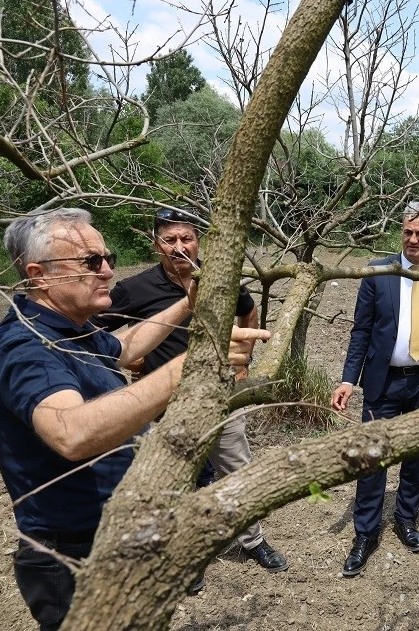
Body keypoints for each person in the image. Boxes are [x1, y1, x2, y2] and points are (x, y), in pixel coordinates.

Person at [0, 208, 269, 630]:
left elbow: (122, 347)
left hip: (114, 535)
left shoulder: (71, 329)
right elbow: (70, 433)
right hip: (75, 556)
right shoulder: (27, 347)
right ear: (40, 275)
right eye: (91, 262)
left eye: (109, 258)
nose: (107, 271)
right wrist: (187, 367)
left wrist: (186, 304)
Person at [94, 208, 288, 574]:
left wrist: (244, 360)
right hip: (164, 405)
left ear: (199, 243)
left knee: (237, 472)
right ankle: (181, 552)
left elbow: (248, 312)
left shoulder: (221, 279)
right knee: (171, 480)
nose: (179, 246)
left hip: (220, 396)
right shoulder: (134, 289)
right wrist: (131, 356)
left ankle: (253, 541)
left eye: (187, 238)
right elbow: (93, 334)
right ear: (157, 246)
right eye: (170, 239)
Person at [330, 201, 419, 577]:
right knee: (371, 459)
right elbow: (361, 330)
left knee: (415, 456)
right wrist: (347, 379)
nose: (413, 239)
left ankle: (406, 519)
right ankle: (366, 533)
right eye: (407, 231)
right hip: (383, 383)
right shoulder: (379, 271)